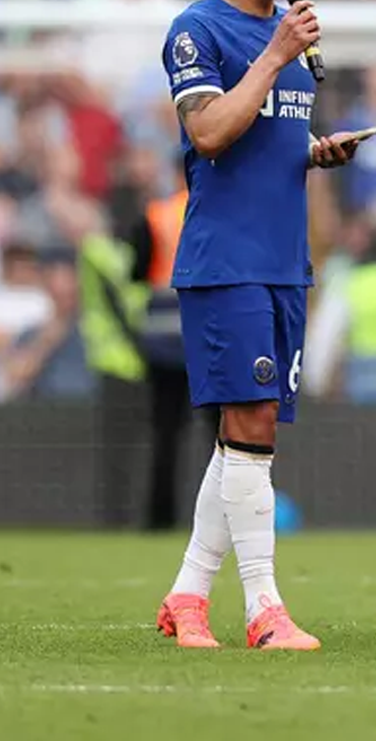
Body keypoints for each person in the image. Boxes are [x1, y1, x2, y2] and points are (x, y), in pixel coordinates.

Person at [155, 0, 367, 651]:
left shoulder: (292, 41)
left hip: (284, 261)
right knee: (249, 433)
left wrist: (315, 152)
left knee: (249, 431)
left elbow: (263, 142)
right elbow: (210, 131)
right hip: (228, 261)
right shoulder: (198, 30)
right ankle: (264, 609)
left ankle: (186, 596)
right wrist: (276, 54)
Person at [128, 158, 221, 530]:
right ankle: (225, 520)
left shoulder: (155, 216)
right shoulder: (216, 214)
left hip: (163, 340)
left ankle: (159, 518)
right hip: (211, 337)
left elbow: (136, 273)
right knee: (222, 437)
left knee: (166, 433)